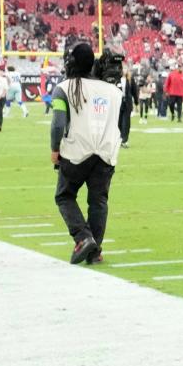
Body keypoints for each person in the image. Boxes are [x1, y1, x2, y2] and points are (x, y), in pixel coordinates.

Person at [50, 43, 124, 265]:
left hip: (77, 151)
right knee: (99, 201)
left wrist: (55, 149)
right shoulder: (114, 91)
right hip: (106, 152)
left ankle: (83, 238)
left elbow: (58, 124)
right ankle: (95, 252)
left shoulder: (63, 88)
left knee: (64, 195)